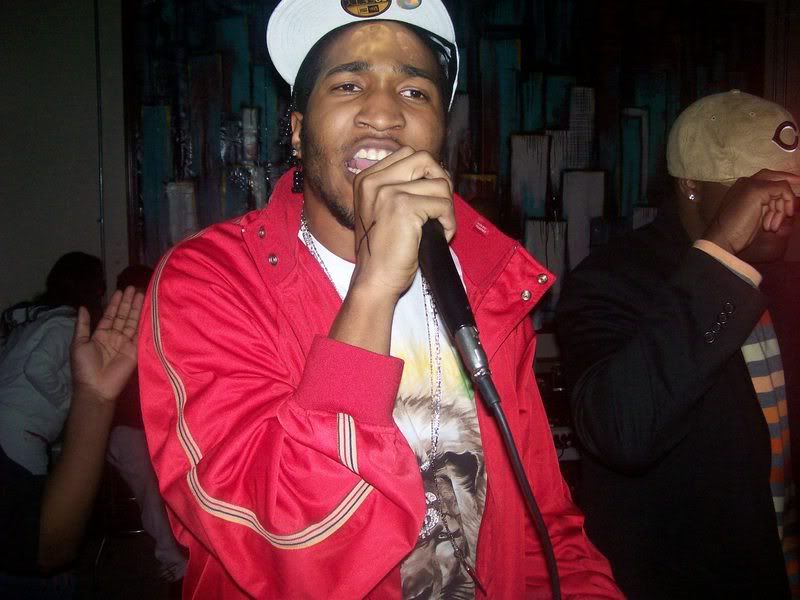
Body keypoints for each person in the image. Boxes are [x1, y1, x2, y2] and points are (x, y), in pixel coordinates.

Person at [137, 0, 621, 597]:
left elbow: (543, 529)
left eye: (415, 92)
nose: (385, 113)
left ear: (442, 135)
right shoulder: (211, 281)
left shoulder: (486, 280)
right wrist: (374, 287)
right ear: (297, 130)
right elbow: (288, 547)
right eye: (348, 84)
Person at [556, 90, 799, 598]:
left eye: (794, 189)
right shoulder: (612, 279)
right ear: (691, 187)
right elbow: (621, 431)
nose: (785, 207)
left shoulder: (785, 284)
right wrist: (722, 252)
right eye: (760, 190)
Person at [0, 285, 143, 598]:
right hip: (21, 437)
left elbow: (50, 547)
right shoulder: (64, 324)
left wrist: (94, 398)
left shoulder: (31, 323)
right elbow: (47, 552)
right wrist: (74, 401)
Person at [105, 265, 187, 583]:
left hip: (151, 427)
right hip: (125, 430)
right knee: (154, 491)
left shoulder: (161, 323)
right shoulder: (117, 333)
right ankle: (171, 559)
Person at [0, 252, 105, 476]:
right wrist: (67, 402)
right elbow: (38, 368)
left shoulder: (35, 319)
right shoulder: (68, 325)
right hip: (20, 430)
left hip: (11, 424)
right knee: (33, 495)